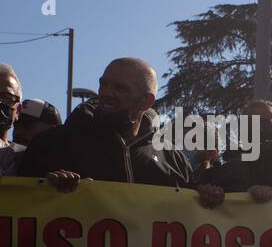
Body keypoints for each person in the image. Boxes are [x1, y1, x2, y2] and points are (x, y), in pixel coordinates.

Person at [17, 58, 184, 188]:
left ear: (146, 101)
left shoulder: (173, 159)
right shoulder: (51, 144)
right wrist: (47, 187)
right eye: (103, 84)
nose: (106, 93)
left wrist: (207, 194)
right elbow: (21, 206)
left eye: (120, 88)